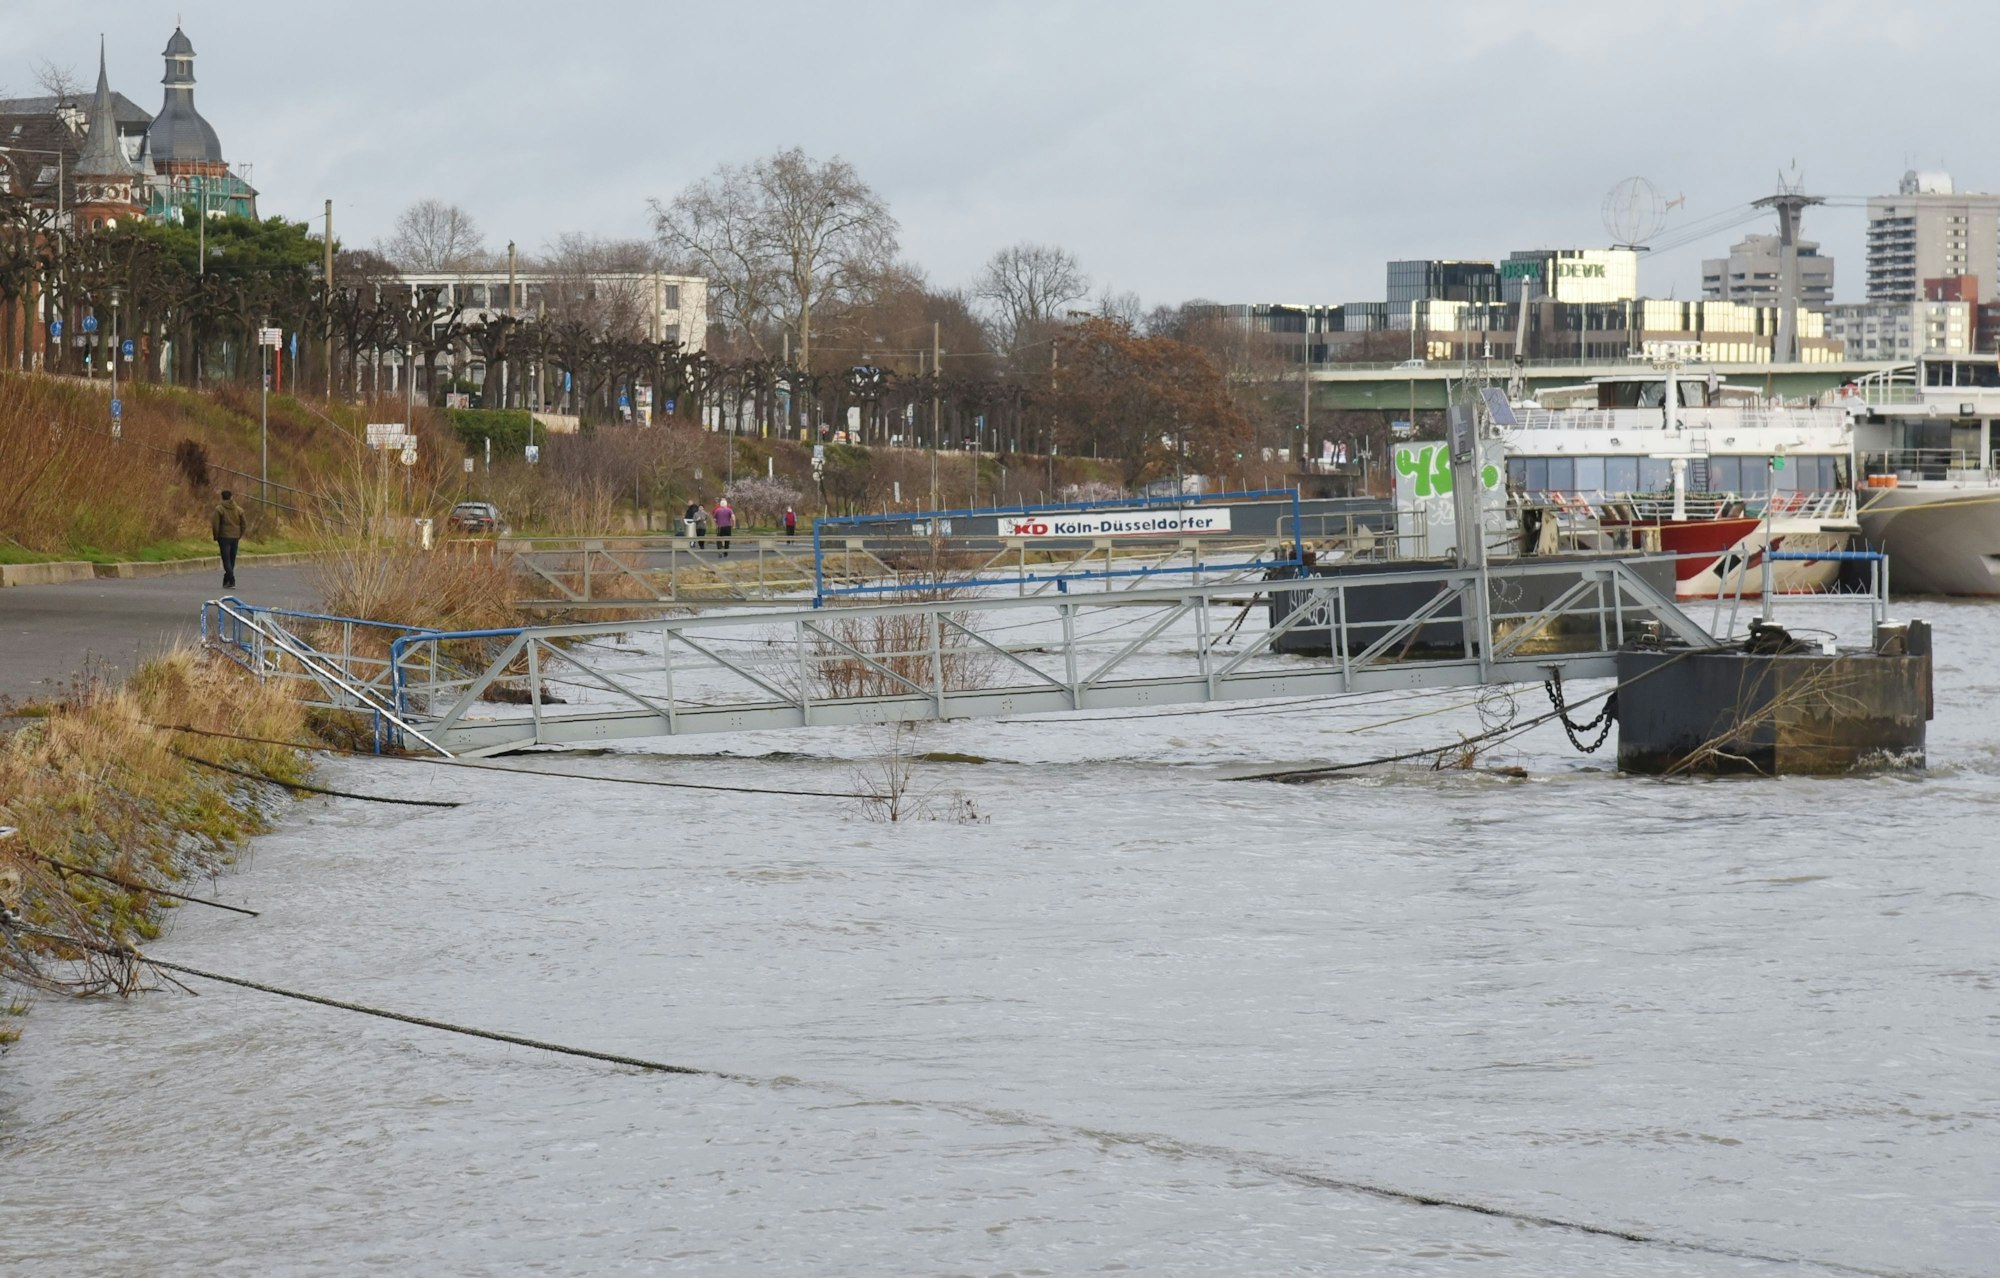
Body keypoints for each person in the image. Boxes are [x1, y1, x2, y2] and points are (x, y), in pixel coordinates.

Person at [211, 489, 247, 589]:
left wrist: (216, 536)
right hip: (235, 537)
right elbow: (244, 524)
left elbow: (215, 524)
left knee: (226, 559)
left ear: (222, 497)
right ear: (232, 497)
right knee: (232, 559)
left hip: (223, 537)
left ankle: (231, 579)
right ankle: (227, 580)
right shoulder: (239, 510)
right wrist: (240, 534)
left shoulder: (219, 509)